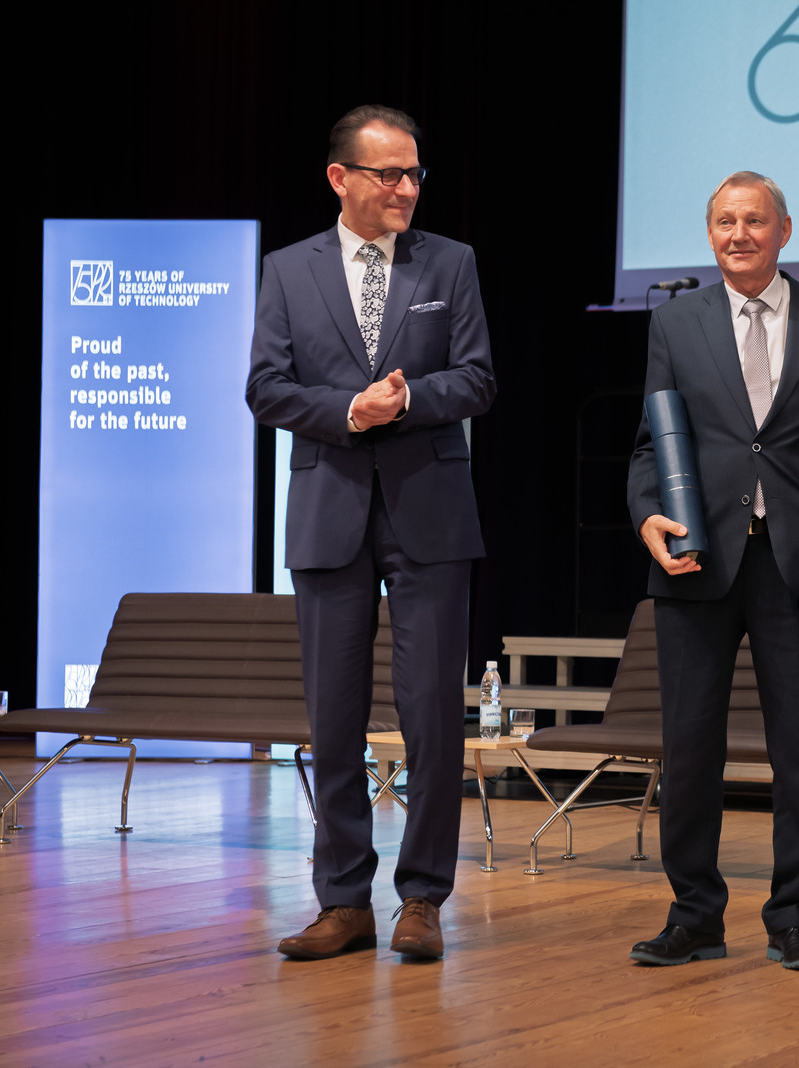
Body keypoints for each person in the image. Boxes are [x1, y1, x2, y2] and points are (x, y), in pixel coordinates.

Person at [247, 104, 495, 961]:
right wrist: (350, 410)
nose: (406, 188)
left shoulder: (451, 262)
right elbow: (266, 389)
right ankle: (343, 901)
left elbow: (477, 379)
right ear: (339, 178)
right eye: (389, 173)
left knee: (432, 717)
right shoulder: (288, 270)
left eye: (415, 173)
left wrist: (411, 398)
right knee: (333, 718)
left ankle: (422, 898)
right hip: (330, 511)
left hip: (431, 510)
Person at [626, 171, 799, 970]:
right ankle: (694, 916)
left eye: (754, 220)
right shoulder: (674, 322)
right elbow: (652, 441)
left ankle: (795, 919)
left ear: (784, 230)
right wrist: (647, 513)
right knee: (689, 747)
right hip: (697, 558)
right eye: (724, 222)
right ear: (710, 233)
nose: (738, 234)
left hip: (797, 560)